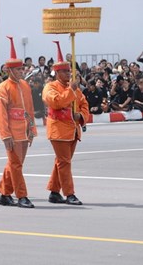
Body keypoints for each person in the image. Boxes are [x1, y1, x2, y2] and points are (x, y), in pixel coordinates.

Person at [42, 41, 89, 206]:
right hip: (58, 131)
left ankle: (54, 192)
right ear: (56, 73)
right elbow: (56, 102)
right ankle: (69, 194)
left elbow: (84, 104)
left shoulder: (73, 88)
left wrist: (81, 115)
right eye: (65, 71)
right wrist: (71, 91)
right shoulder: (50, 87)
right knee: (64, 162)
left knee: (61, 162)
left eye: (69, 71)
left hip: (73, 130)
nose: (69, 74)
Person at [0, 37, 37, 209]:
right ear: (10, 70)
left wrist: (32, 130)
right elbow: (0, 114)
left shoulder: (25, 85)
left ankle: (5, 193)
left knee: (15, 164)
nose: (21, 71)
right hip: (11, 132)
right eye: (18, 69)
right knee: (16, 164)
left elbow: (31, 110)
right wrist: (5, 135)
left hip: (24, 131)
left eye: (22, 69)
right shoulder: (3, 88)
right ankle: (22, 196)